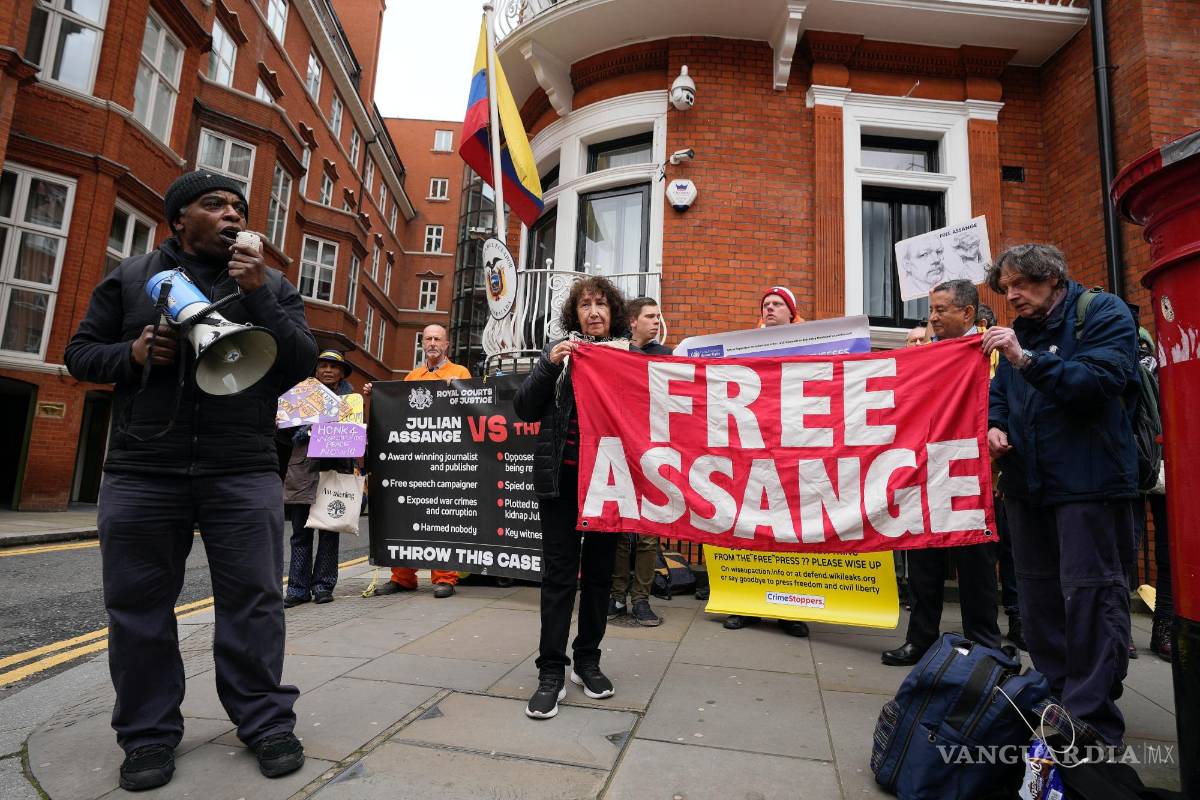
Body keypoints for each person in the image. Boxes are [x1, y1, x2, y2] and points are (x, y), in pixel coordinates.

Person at [64, 170, 314, 791]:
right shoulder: (131, 278)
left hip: (242, 467)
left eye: (239, 207)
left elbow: (301, 364)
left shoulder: (271, 284)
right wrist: (132, 355)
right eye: (214, 204)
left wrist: (258, 294)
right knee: (140, 609)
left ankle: (265, 722)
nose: (233, 215)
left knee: (255, 602)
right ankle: (148, 736)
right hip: (143, 469)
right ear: (179, 219)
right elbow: (80, 354)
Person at [983, 243, 1139, 746]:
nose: (1012, 296)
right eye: (1006, 288)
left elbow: (1099, 380)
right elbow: (1000, 394)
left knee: (1091, 596)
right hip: (1028, 485)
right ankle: (1057, 696)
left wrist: (1024, 359)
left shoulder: (1102, 313)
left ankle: (1091, 716)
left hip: (1088, 484)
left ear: (1051, 277)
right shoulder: (1021, 332)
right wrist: (995, 425)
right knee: (1038, 596)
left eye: (1021, 284)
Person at [514, 276, 629, 719]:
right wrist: (548, 365)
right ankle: (551, 673)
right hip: (561, 482)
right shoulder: (558, 354)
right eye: (585, 305)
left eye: (601, 304)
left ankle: (587, 662)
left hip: (609, 484)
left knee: (599, 577)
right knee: (559, 578)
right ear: (574, 314)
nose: (594, 312)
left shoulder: (629, 357)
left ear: (613, 312)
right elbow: (524, 408)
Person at [882, 280, 1002, 666]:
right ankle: (920, 640)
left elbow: (999, 401)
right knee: (924, 564)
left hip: (968, 472)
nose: (932, 317)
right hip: (928, 470)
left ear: (967, 313)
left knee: (975, 565)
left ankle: (983, 647)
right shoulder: (926, 356)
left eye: (941, 310)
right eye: (931, 309)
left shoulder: (989, 352)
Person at [722, 287, 809, 638]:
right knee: (751, 528)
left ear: (791, 312)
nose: (770, 309)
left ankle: (789, 610)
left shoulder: (810, 344)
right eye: (765, 305)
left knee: (789, 530)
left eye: (777, 304)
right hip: (753, 449)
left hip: (793, 449)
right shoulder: (746, 345)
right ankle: (746, 605)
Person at [369, 323, 471, 598]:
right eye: (428, 339)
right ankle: (402, 577)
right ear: (423, 344)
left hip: (444, 461)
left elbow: (472, 410)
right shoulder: (412, 377)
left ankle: (445, 578)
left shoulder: (461, 373)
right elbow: (397, 411)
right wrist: (376, 395)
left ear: (447, 345)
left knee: (441, 517)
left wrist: (460, 389)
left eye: (438, 339)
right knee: (407, 515)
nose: (433, 343)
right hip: (413, 461)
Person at [609, 298, 668, 626]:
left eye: (658, 316)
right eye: (650, 316)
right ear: (633, 321)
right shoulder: (614, 353)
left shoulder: (666, 356)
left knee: (648, 531)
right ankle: (617, 595)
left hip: (654, 452)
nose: (656, 321)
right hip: (619, 450)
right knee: (620, 528)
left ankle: (641, 600)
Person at [282, 350, 357, 608]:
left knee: (329, 533)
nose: (327, 370)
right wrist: (292, 426)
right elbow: (283, 435)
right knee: (300, 535)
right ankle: (297, 589)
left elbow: (358, 435)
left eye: (333, 367)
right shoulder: (300, 397)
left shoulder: (351, 402)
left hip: (334, 473)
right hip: (304, 472)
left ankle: (323, 586)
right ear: (316, 371)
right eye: (323, 366)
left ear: (342, 373)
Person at [976, 302, 1024, 650]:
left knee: (1012, 550)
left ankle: (1019, 616)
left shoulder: (1006, 357)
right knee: (988, 553)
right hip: (975, 475)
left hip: (1003, 474)